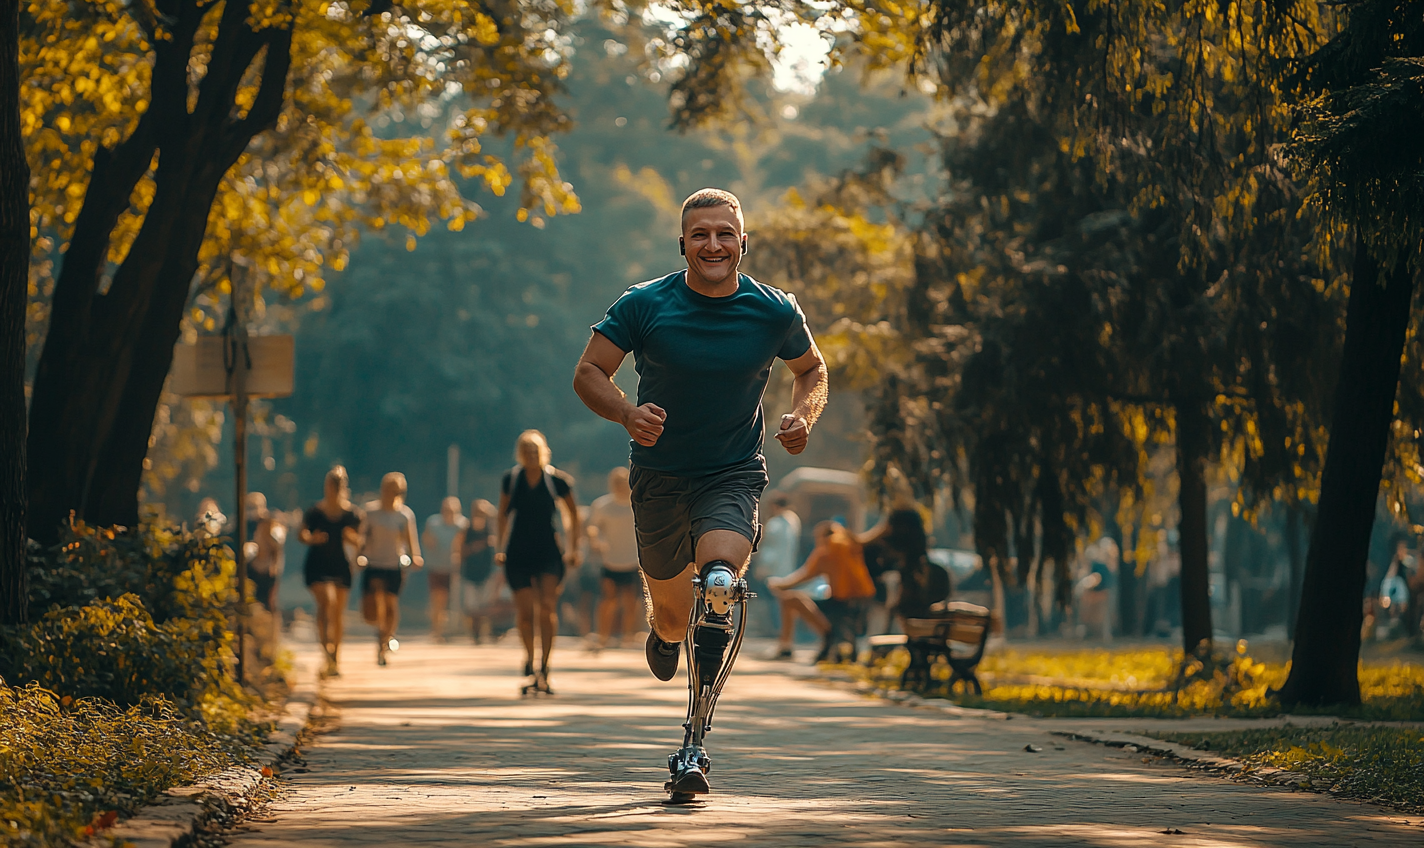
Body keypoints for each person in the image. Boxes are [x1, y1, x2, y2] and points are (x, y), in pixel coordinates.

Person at [573, 187, 828, 799]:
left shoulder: (774, 311)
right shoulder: (644, 305)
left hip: (733, 472)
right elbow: (588, 372)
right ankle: (663, 634)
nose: (713, 244)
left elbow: (812, 370)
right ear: (683, 243)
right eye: (700, 235)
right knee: (672, 610)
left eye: (724, 233)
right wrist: (627, 414)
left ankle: (694, 741)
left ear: (743, 242)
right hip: (659, 478)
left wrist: (803, 416)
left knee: (718, 584)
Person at [496, 430, 581, 693]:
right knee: (524, 612)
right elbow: (501, 514)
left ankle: (545, 665)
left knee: (546, 607)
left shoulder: (557, 480)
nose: (532, 457)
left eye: (536, 452)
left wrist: (573, 548)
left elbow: (574, 515)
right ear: (521, 454)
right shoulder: (511, 479)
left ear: (543, 452)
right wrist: (499, 547)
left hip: (548, 551)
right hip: (518, 551)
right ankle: (529, 660)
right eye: (527, 452)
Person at [768, 521, 876, 662]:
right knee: (796, 599)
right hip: (861, 603)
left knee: (789, 600)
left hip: (840, 604)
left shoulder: (827, 550)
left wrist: (779, 585)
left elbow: (804, 576)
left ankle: (788, 646)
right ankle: (832, 636)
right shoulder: (850, 546)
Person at [299, 466, 363, 677]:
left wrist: (351, 538)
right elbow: (301, 534)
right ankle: (325, 649)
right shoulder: (315, 512)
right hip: (317, 565)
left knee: (337, 612)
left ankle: (335, 655)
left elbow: (361, 540)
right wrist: (311, 539)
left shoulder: (352, 514)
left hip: (341, 565)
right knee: (326, 602)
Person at [357, 472, 423, 666]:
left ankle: (385, 640)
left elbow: (411, 541)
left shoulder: (404, 515)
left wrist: (415, 557)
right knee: (373, 606)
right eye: (388, 490)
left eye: (395, 491)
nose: (390, 494)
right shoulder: (370, 512)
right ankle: (380, 630)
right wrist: (357, 557)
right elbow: (361, 538)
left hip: (394, 564)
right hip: (374, 563)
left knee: (390, 603)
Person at [590, 467, 644, 649]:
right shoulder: (602, 506)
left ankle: (627, 636)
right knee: (608, 599)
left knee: (631, 600)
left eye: (623, 482)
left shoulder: (638, 504)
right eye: (616, 483)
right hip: (610, 558)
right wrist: (595, 541)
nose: (620, 486)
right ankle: (602, 636)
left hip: (633, 558)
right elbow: (594, 528)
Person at [751, 493, 801, 638]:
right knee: (783, 600)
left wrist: (761, 566)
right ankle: (782, 632)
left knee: (772, 601)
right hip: (787, 567)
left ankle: (774, 631)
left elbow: (769, 548)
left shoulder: (775, 524)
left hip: (771, 569)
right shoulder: (793, 520)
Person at [422, 496, 468, 642]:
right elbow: (426, 539)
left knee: (460, 602)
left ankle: (463, 631)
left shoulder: (463, 525)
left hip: (457, 570)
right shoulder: (433, 523)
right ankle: (437, 632)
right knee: (438, 600)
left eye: (452, 510)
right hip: (437, 568)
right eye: (446, 510)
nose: (449, 513)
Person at [460, 499, 501, 643]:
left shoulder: (491, 530)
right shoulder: (467, 529)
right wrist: (476, 546)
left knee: (485, 606)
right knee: (472, 607)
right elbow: (460, 550)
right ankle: (474, 634)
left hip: (487, 572)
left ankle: (485, 632)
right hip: (470, 572)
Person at [244, 491, 286, 613]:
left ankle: (271, 629)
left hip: (268, 571)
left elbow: (277, 546)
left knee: (269, 604)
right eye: (250, 507)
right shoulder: (244, 525)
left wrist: (275, 567)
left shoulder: (272, 524)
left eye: (256, 506)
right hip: (251, 570)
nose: (254, 511)